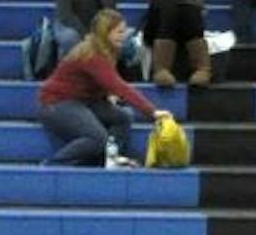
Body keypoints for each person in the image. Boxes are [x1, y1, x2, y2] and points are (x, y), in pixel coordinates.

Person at [38, 9, 168, 166]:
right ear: (106, 33)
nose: (124, 35)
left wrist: (106, 94)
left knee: (123, 117)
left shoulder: (106, 50)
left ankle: (110, 159)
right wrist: (152, 111)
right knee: (97, 138)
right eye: (119, 32)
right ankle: (53, 164)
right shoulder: (92, 54)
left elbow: (99, 82)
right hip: (58, 103)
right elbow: (119, 86)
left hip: (84, 100)